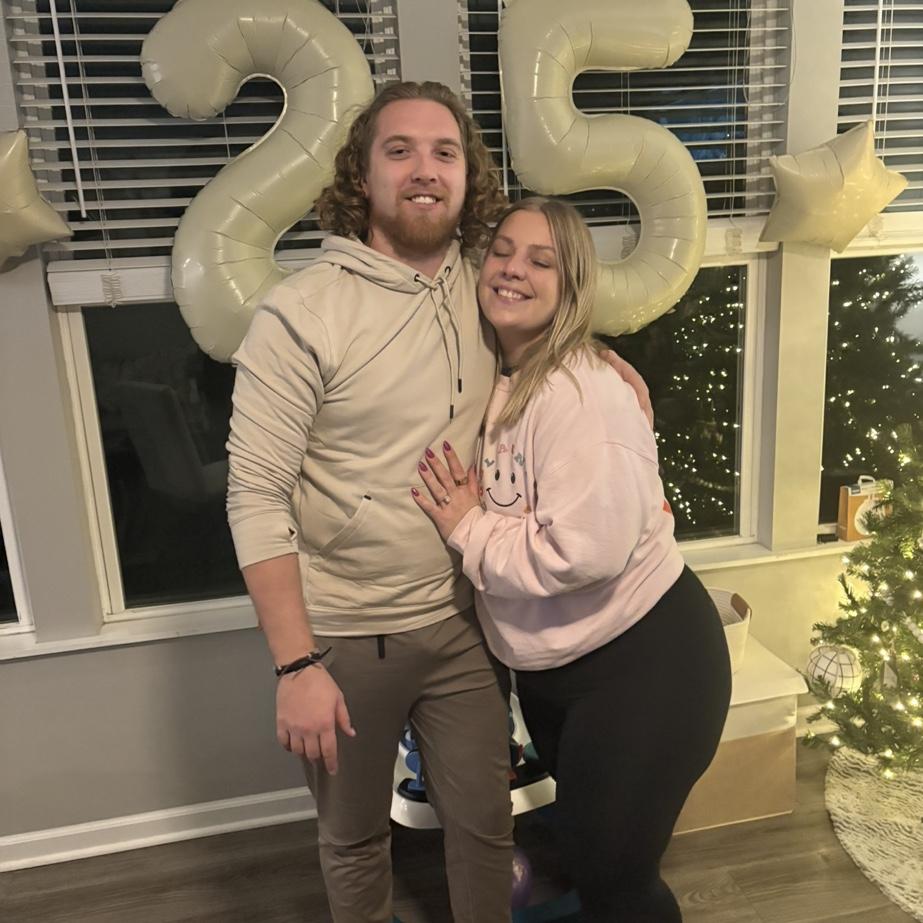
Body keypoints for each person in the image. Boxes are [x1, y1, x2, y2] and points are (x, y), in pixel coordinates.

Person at [226, 81, 650, 923]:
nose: (424, 169)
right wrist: (295, 665)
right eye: (400, 151)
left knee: (486, 827)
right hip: (346, 636)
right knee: (354, 838)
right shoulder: (300, 315)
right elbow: (254, 494)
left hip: (464, 622)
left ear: (465, 175)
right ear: (363, 175)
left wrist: (603, 359)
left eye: (444, 152)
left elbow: (544, 332)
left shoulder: (482, 284)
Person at [414, 197, 732, 923]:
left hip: (645, 664)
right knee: (591, 860)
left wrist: (468, 528)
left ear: (572, 285)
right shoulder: (498, 374)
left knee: (617, 878)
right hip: (562, 670)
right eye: (502, 252)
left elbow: (583, 551)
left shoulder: (583, 394)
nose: (512, 269)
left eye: (541, 261)